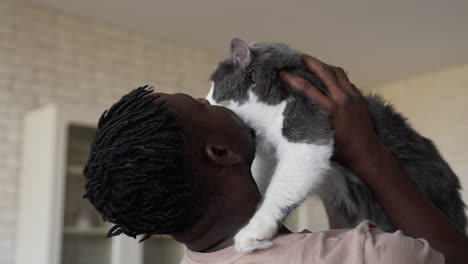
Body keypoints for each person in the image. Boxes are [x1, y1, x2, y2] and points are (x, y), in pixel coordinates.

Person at [83, 56, 468, 264]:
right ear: (221, 152)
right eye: (200, 105)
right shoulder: (372, 256)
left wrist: (331, 162)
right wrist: (369, 156)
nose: (208, 99)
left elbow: (339, 238)